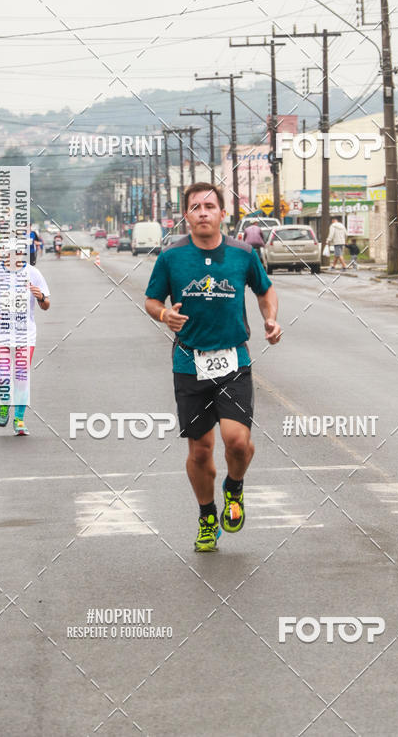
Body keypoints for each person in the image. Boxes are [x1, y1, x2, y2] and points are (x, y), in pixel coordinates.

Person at [145, 182, 282, 553]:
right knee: (201, 450)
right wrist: (163, 314)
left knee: (238, 442)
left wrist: (270, 319)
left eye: (209, 206)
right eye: (195, 207)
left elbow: (265, 290)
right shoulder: (171, 258)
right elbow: (152, 299)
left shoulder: (242, 254)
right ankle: (207, 516)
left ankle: (234, 487)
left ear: (222, 213)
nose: (203, 212)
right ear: (186, 216)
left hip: (233, 359)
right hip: (189, 361)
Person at [0, 252, 50, 434]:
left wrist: (40, 297)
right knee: (1, 373)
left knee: (22, 376)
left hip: (25, 333)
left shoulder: (34, 273)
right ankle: (3, 402)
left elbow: (46, 304)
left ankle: (19, 419)